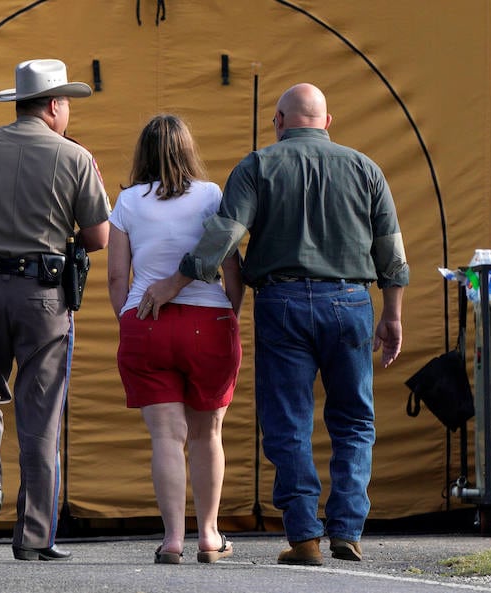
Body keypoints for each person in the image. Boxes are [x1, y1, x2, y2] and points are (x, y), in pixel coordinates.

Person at [140, 84, 408, 566]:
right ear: (328, 122)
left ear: (279, 121)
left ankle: (304, 535)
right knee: (353, 419)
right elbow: (390, 250)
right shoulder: (367, 169)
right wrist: (392, 314)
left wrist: (176, 283)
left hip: (282, 303)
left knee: (288, 422)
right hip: (351, 300)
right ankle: (347, 528)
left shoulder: (257, 166)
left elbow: (226, 234)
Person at [0, 59, 111, 561]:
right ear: (55, 105)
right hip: (45, 297)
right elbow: (98, 237)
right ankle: (34, 537)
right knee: (41, 415)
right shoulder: (74, 158)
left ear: (19, 102)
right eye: (67, 102)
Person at [107, 114, 244, 564]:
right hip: (210, 321)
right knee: (208, 434)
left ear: (141, 154)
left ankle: (172, 540)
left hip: (148, 320)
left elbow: (116, 276)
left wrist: (130, 320)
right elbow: (231, 268)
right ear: (188, 149)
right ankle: (209, 534)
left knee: (166, 437)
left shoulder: (126, 202)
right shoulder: (212, 196)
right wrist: (231, 313)